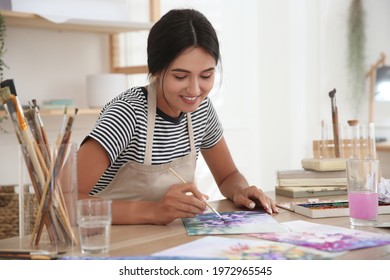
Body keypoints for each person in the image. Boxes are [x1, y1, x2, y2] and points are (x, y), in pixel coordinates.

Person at [77, 8, 279, 225]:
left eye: (206, 75)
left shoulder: (201, 110)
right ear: (156, 70)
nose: (194, 90)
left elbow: (228, 176)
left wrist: (241, 190)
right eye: (180, 76)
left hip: (164, 238)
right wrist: (153, 211)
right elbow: (61, 201)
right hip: (109, 242)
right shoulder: (127, 113)